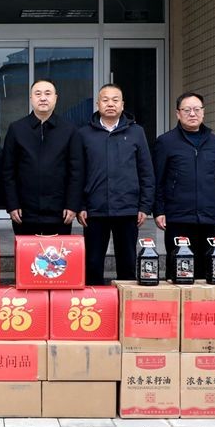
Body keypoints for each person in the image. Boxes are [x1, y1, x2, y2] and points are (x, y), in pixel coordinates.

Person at [77, 83, 154, 285]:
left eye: (115, 100)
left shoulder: (136, 132)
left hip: (127, 209)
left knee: (127, 264)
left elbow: (146, 171)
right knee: (92, 263)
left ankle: (124, 302)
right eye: (105, 100)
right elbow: (79, 173)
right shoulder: (84, 134)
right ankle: (95, 302)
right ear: (97, 104)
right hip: (94, 210)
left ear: (122, 104)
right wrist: (81, 205)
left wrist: (144, 206)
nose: (110, 104)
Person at [152, 92, 215, 278]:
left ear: (203, 112)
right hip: (177, 217)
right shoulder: (166, 141)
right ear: (178, 114)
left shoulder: (214, 141)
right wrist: (159, 210)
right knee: (179, 269)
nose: (192, 114)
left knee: (207, 270)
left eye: (196, 109)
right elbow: (157, 179)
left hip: (208, 217)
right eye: (187, 110)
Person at [1, 79, 83, 236]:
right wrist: (12, 204)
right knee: (26, 251)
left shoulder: (69, 130)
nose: (43, 98)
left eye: (48, 93)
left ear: (56, 98)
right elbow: (8, 171)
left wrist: (72, 205)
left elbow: (76, 172)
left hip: (60, 211)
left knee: (58, 252)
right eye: (38, 94)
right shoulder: (17, 129)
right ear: (31, 98)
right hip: (24, 212)